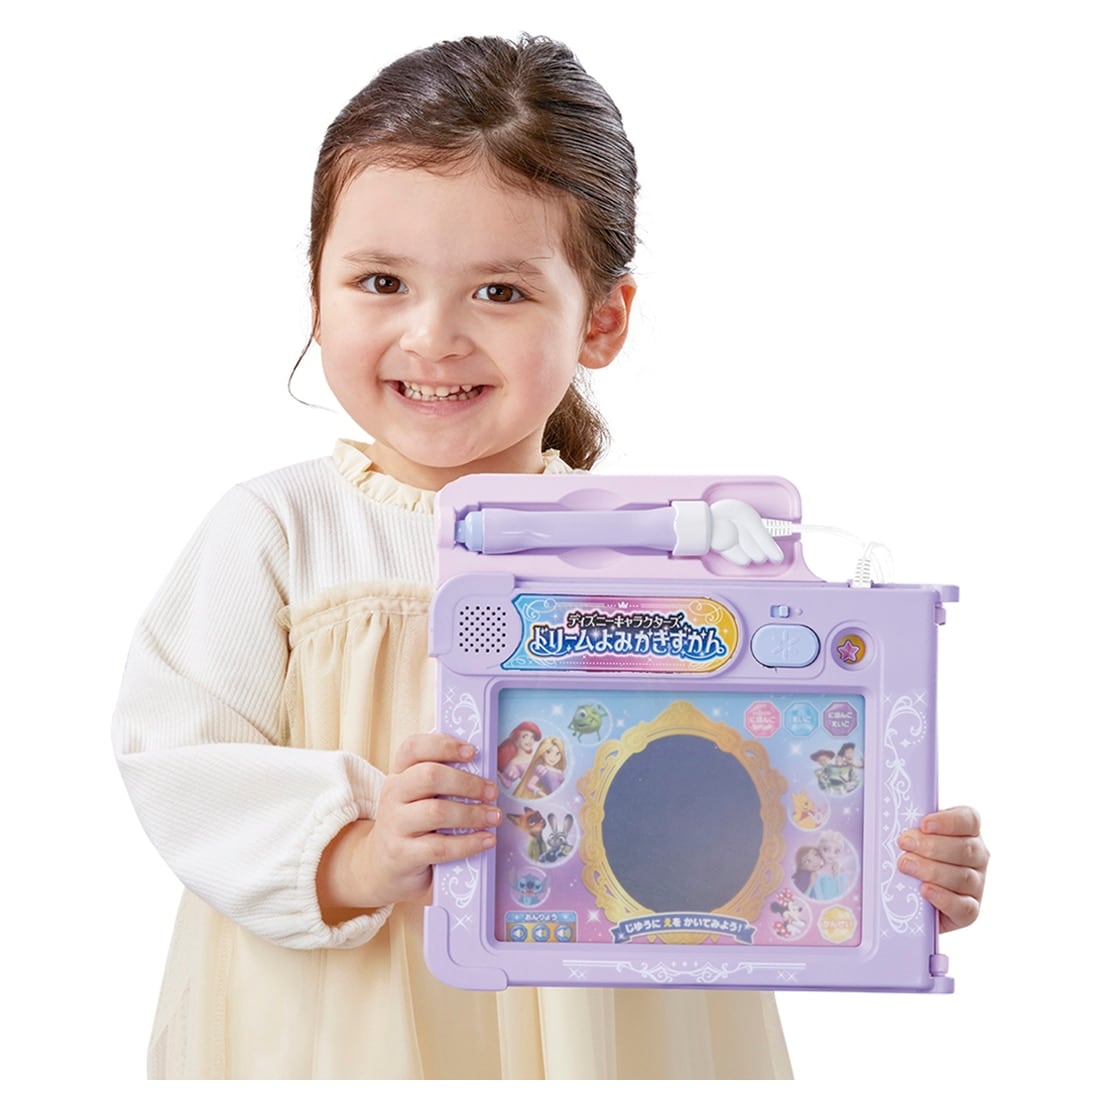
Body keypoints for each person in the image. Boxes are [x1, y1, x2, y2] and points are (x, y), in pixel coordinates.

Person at [112, 33, 989, 1080]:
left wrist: (889, 863)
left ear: (602, 319)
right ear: (314, 290)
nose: (432, 336)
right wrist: (361, 850)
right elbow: (180, 763)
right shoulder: (282, 531)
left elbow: (761, 774)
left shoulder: (670, 554)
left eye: (499, 291)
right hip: (340, 1021)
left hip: (605, 1020)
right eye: (381, 279)